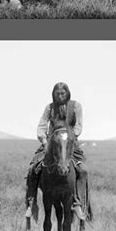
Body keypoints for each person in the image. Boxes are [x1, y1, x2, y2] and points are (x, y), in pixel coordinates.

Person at [25, 82, 88, 221]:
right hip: (51, 143)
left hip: (69, 142)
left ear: (68, 93)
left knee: (82, 170)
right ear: (53, 94)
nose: (60, 96)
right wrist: (44, 141)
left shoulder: (76, 106)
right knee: (33, 168)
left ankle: (78, 203)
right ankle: (31, 203)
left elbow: (78, 126)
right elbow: (42, 126)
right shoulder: (49, 108)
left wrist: (70, 137)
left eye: (62, 93)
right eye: (57, 94)